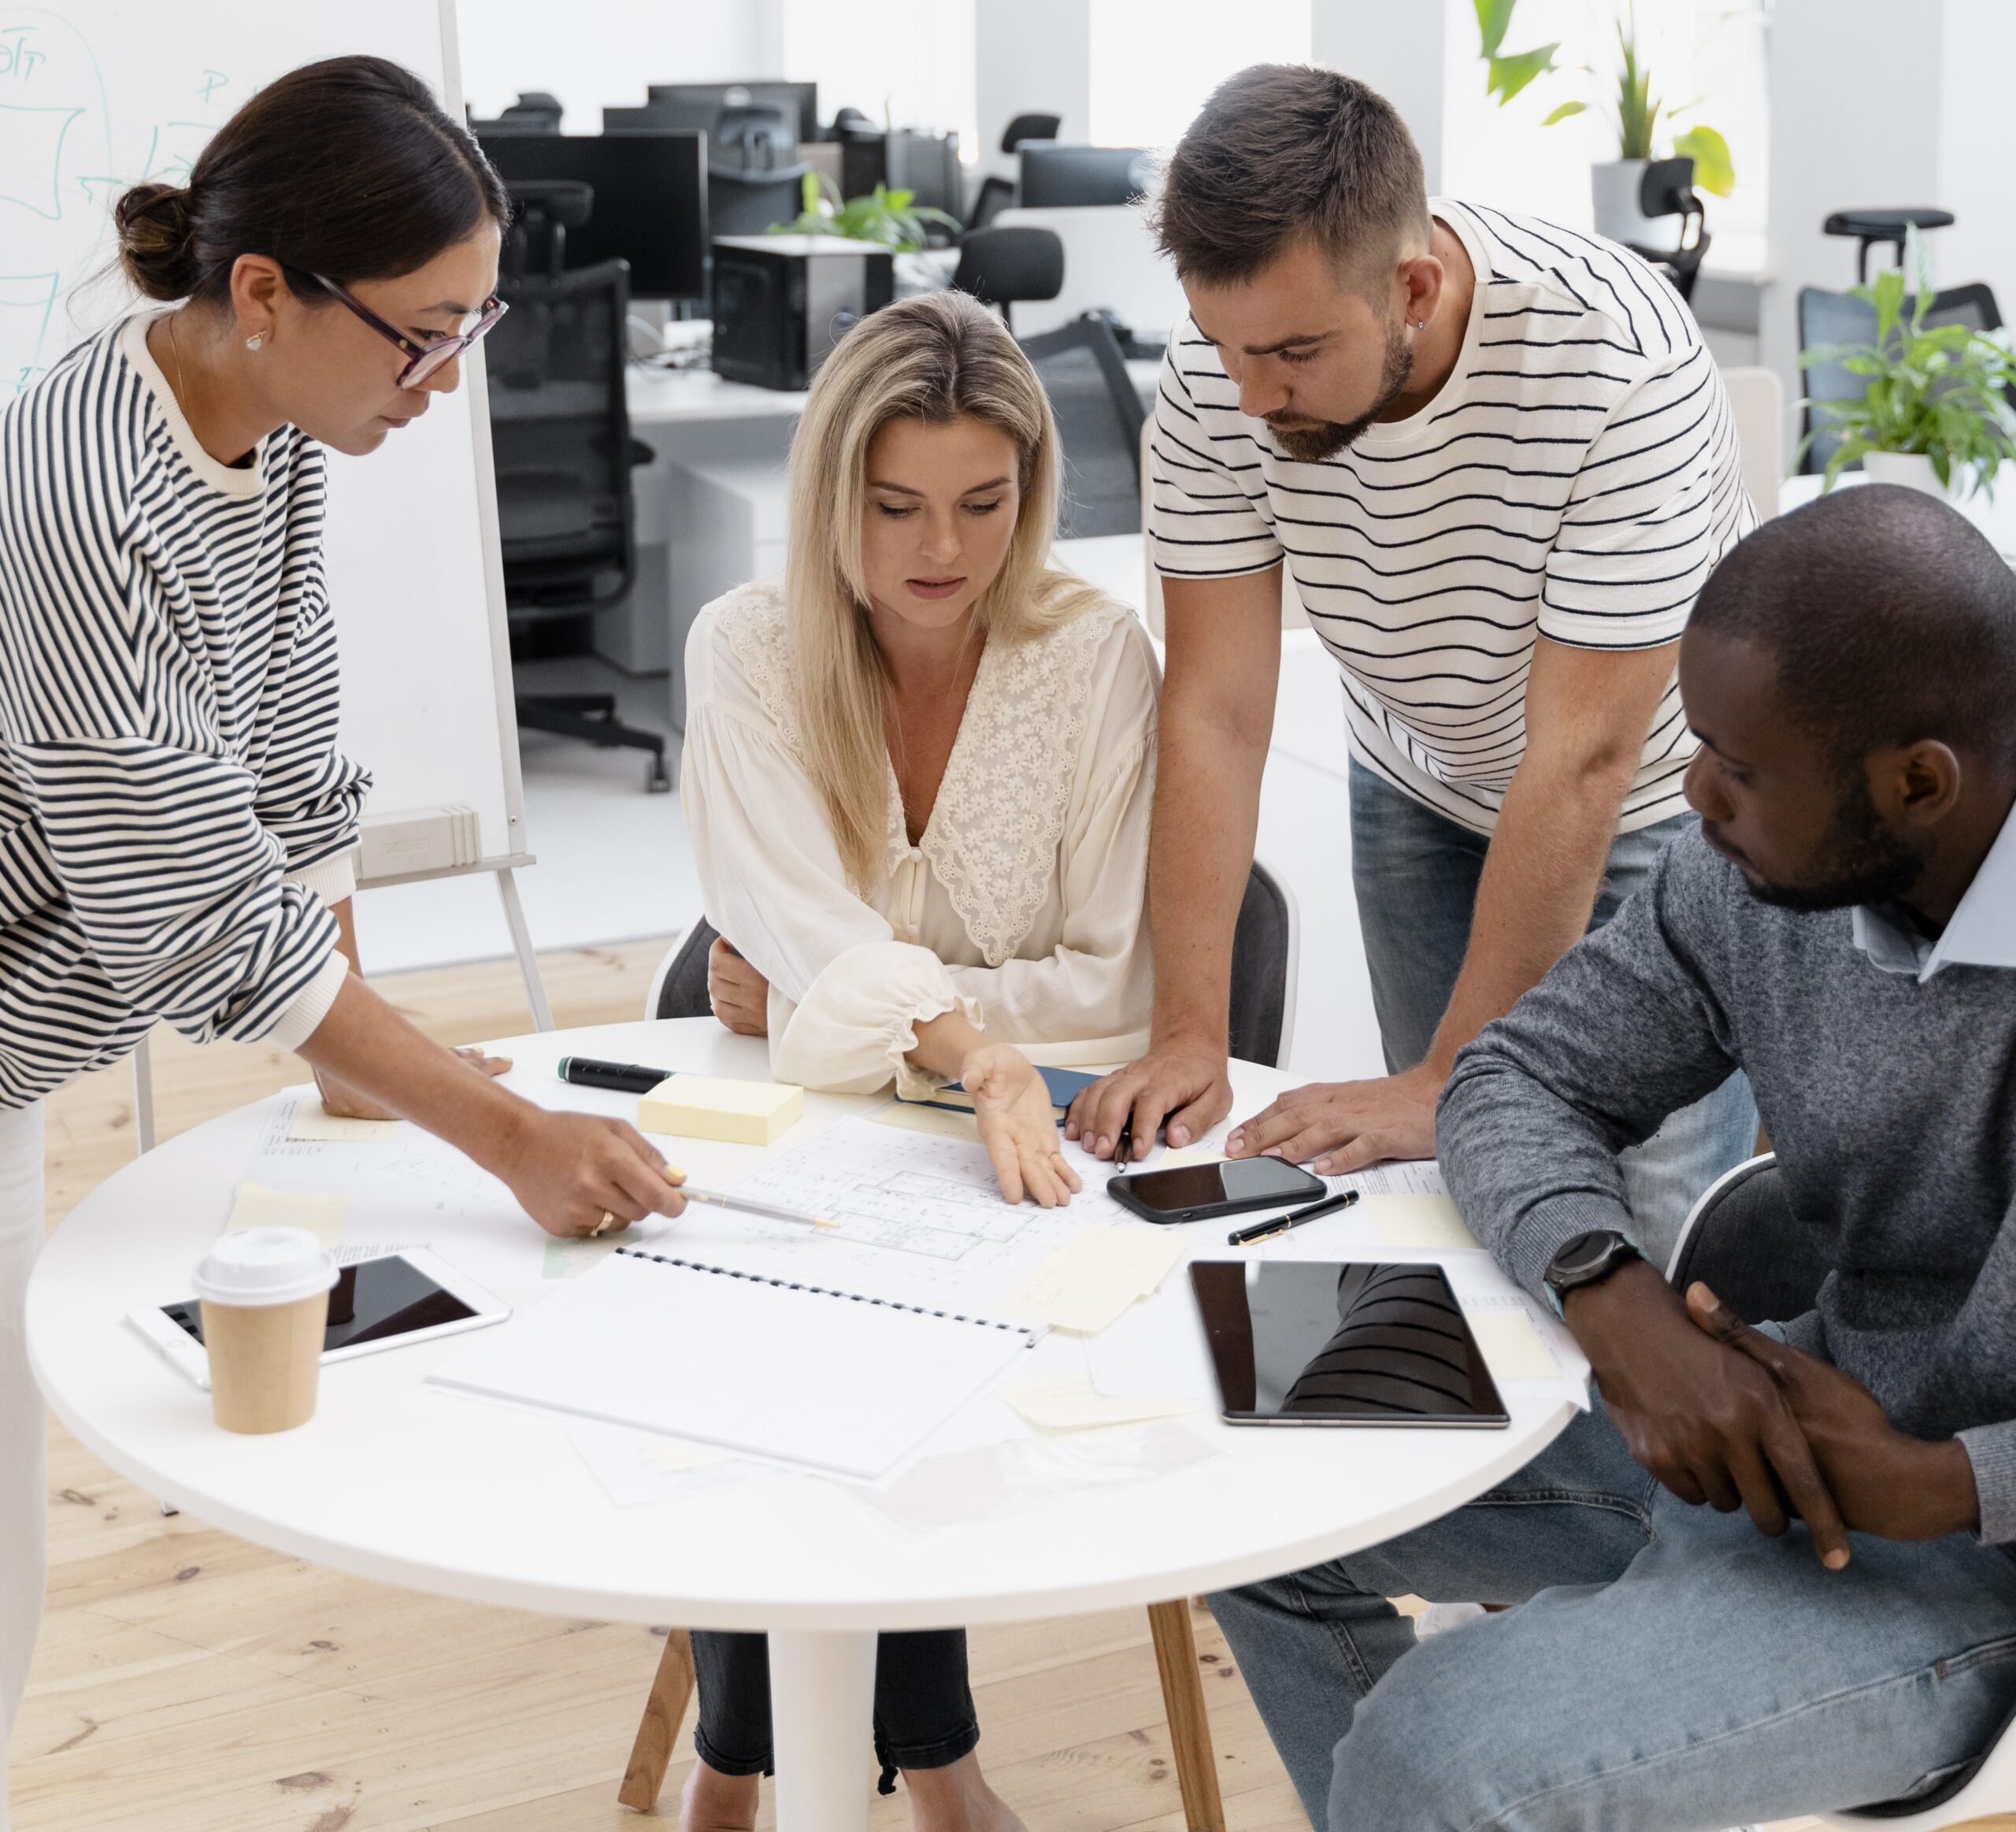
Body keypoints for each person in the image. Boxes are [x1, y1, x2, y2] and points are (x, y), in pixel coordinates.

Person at [0, 58, 686, 1828]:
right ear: (260, 293)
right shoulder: (75, 493)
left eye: (474, 327)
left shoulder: (277, 429)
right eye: (420, 336)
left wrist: (378, 1089)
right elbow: (199, 919)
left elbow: (297, 764)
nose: (447, 382)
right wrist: (496, 1122)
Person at [1210, 484, 2016, 1830]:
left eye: (1737, 769)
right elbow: (1511, 1077)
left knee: (1430, 1757)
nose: (1692, 795)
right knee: (1261, 1417)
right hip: (1777, 1431)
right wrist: (1616, 1298)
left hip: (1972, 1567)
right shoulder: (1752, 873)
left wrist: (1945, 1483)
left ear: (1917, 781)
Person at [1068, 63, 1756, 1266]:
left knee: (1641, 1240)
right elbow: (1217, 712)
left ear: (1415, 289)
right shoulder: (1219, 379)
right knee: (1457, 1198)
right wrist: (1190, 1031)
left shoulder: (1618, 366)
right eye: (1225, 344)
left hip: (1655, 806)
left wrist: (1449, 1072)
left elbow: (1583, 758)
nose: (1251, 394)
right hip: (1421, 778)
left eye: (1290, 350)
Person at [676, 289, 1158, 1827]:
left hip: (999, 1133)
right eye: (891, 505)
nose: (937, 547)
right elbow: (789, 928)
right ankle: (872, 1755)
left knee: (915, 1312)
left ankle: (773, 1760)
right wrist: (958, 1040)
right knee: (740, 1313)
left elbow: (1109, 992)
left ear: (1032, 494)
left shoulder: (1094, 660)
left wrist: (842, 1000)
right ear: (831, 493)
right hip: (838, 1108)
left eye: (981, 501)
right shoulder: (745, 647)